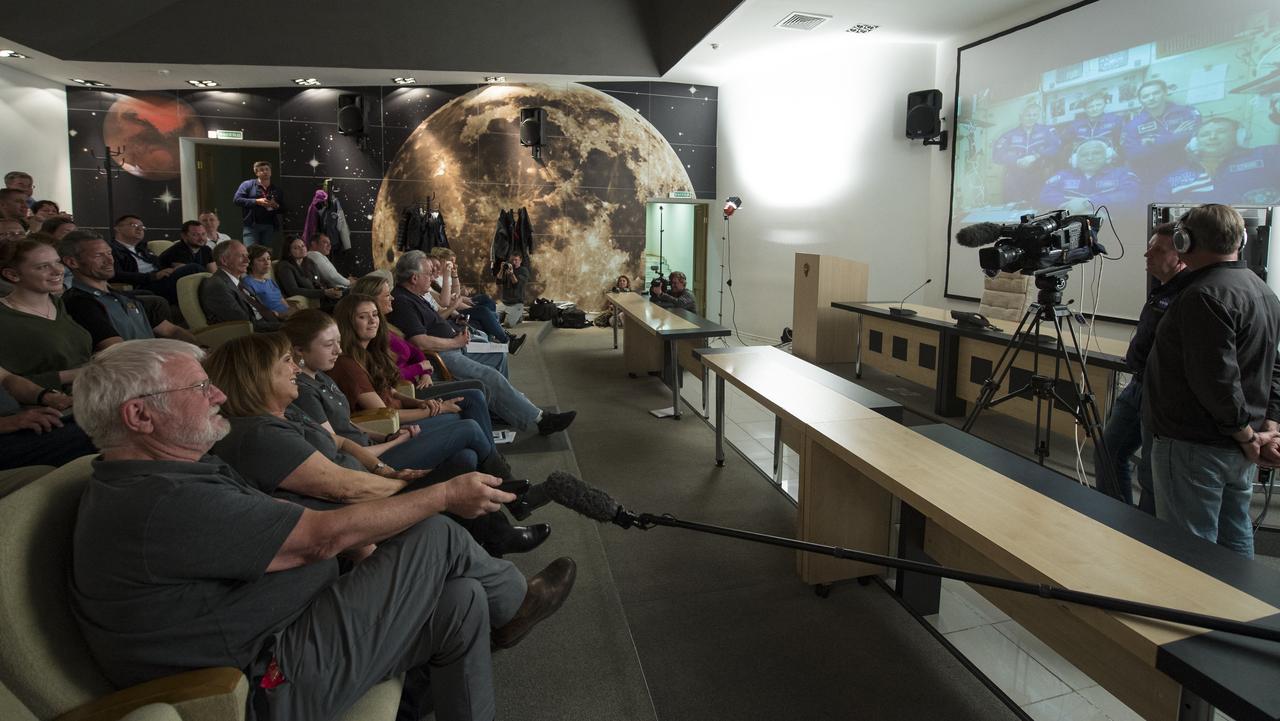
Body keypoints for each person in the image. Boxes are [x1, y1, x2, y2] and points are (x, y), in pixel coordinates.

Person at [70, 338, 576, 721]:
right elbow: (317, 537)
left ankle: (500, 618)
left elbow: (287, 533)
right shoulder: (159, 499)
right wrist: (442, 496)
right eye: (199, 388)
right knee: (437, 534)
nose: (218, 394)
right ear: (139, 415)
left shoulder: (176, 474)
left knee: (462, 597)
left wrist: (360, 546)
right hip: (257, 682)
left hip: (294, 631)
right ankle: (514, 604)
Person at [208, 331, 549, 558]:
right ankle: (500, 524)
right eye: (284, 362)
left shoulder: (288, 412)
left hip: (371, 473)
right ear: (255, 377)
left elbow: (340, 439)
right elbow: (342, 489)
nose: (294, 368)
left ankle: (493, 532)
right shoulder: (261, 434)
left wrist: (385, 467)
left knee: (462, 456)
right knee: (459, 463)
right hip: (354, 513)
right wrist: (401, 480)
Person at [285, 310, 544, 522]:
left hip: (377, 442)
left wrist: (388, 433)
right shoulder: (307, 389)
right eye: (329, 345)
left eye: (338, 343)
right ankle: (509, 492)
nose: (337, 350)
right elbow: (340, 445)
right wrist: (392, 443)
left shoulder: (320, 377)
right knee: (468, 429)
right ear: (300, 352)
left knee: (466, 455)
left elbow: (349, 425)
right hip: (368, 461)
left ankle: (494, 521)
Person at [1144, 204, 1280, 559]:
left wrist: (1247, 436)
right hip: (1235, 445)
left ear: (1184, 240)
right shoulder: (1262, 291)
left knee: (1189, 550)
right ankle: (1237, 614)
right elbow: (1272, 368)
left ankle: (1191, 615)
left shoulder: (1201, 296)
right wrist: (1266, 429)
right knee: (1235, 540)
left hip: (1196, 446)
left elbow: (1216, 381)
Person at [387, 251, 577, 435]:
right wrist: (455, 342)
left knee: (497, 356)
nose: (431, 277)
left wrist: (456, 329)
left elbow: (432, 321)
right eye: (428, 274)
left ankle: (498, 409)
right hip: (442, 355)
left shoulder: (415, 295)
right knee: (490, 376)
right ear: (414, 278)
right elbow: (420, 342)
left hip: (453, 344)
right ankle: (540, 420)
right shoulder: (403, 302)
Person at [1093, 223, 1187, 511]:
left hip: (1162, 393)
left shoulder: (1192, 294)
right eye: (1149, 247)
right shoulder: (1162, 289)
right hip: (1138, 385)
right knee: (1108, 451)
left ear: (1182, 256)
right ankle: (1116, 520)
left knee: (1151, 474)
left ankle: (1144, 540)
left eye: (1158, 249)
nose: (1148, 254)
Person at [351, 273, 487, 400]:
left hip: (419, 381)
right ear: (372, 300)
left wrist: (425, 372)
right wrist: (420, 368)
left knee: (479, 386)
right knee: (476, 392)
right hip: (407, 392)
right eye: (387, 295)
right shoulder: (372, 334)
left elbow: (415, 351)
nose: (392, 298)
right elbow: (387, 377)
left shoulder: (387, 327)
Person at [58, 231, 197, 350]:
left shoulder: (123, 297)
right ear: (72, 262)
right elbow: (118, 350)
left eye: (109, 253)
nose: (109, 260)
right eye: (98, 256)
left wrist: (201, 350)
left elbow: (171, 331)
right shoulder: (80, 303)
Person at [0, 238, 91, 389]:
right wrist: (74, 374)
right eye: (43, 267)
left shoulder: (57, 303)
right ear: (12, 275)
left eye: (57, 261)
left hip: (87, 389)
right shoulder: (5, 317)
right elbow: (8, 384)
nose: (58, 270)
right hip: (45, 405)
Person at [1156, 117, 1280, 205]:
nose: (1212, 137)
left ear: (1239, 136)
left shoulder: (1269, 155)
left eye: (1221, 132)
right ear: (1195, 142)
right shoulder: (1172, 179)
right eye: (1205, 134)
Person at [0, 363, 94, 473]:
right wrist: (9, 422)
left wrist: (47, 397)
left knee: (101, 415)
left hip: (18, 423)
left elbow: (5, 378)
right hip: (7, 436)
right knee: (96, 433)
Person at [431, 247, 523, 352]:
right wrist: (469, 304)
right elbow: (448, 302)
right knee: (484, 311)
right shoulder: (435, 280)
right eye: (451, 261)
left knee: (486, 300)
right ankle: (506, 339)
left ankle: (495, 332)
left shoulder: (445, 275)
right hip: (453, 310)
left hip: (456, 304)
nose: (453, 264)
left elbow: (455, 294)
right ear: (442, 261)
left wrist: (454, 275)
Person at [109, 214, 202, 304]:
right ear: (118, 228)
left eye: (142, 227)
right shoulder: (110, 250)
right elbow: (116, 274)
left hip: (160, 280)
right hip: (143, 285)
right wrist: (153, 276)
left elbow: (159, 265)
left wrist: (173, 270)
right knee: (193, 269)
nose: (139, 229)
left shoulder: (143, 248)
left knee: (193, 277)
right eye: (134, 225)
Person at [1121, 79, 1201, 182]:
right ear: (1140, 100)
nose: (1151, 98)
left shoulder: (1187, 112)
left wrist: (1153, 143)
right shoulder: (1133, 125)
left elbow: (1197, 138)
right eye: (1145, 96)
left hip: (1188, 167)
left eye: (1156, 93)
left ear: (1165, 92)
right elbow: (1134, 154)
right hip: (1155, 173)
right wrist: (1174, 137)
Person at [200, 240, 284, 332]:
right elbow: (244, 324)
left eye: (247, 256)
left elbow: (259, 311)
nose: (247, 260)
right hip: (255, 337)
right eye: (241, 256)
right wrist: (285, 327)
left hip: (270, 324)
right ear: (224, 260)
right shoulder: (217, 286)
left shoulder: (237, 283)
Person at [1038, 140, 1139, 214]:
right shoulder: (1063, 175)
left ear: (1107, 156)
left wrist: (1088, 203)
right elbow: (1045, 194)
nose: (1090, 158)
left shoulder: (1122, 173)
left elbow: (1131, 194)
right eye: (1084, 155)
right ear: (1075, 159)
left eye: (1096, 153)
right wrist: (1069, 205)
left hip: (1110, 225)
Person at [992, 103, 1061, 204]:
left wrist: (1036, 156)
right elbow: (997, 155)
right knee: (1013, 208)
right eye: (1028, 115)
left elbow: (1056, 147)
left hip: (1039, 175)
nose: (1031, 118)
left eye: (1034, 115)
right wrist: (1017, 160)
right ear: (1021, 116)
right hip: (1015, 178)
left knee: (1039, 208)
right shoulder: (1009, 135)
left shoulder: (1047, 131)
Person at [276, 235, 343, 308]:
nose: (302, 249)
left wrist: (335, 289)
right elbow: (293, 290)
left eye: (303, 246)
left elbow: (322, 279)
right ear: (288, 252)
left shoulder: (309, 262)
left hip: (323, 296)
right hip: (316, 300)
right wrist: (324, 292)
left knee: (350, 294)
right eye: (296, 248)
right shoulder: (285, 266)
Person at [233, 160, 284, 250]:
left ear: (271, 172)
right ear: (256, 172)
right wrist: (256, 201)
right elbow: (237, 200)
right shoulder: (247, 185)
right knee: (251, 252)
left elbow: (283, 208)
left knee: (266, 253)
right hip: (251, 225)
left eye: (267, 169)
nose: (265, 172)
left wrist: (276, 205)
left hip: (269, 225)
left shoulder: (276, 189)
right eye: (261, 170)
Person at [498, 252, 531, 328]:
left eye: (516, 260)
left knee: (508, 324)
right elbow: (498, 281)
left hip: (516, 303)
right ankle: (510, 316)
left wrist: (512, 274)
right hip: (504, 303)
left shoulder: (524, 270)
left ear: (520, 260)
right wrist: (501, 269)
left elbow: (517, 284)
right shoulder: (506, 270)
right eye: (512, 260)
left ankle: (519, 316)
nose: (514, 262)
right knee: (493, 319)